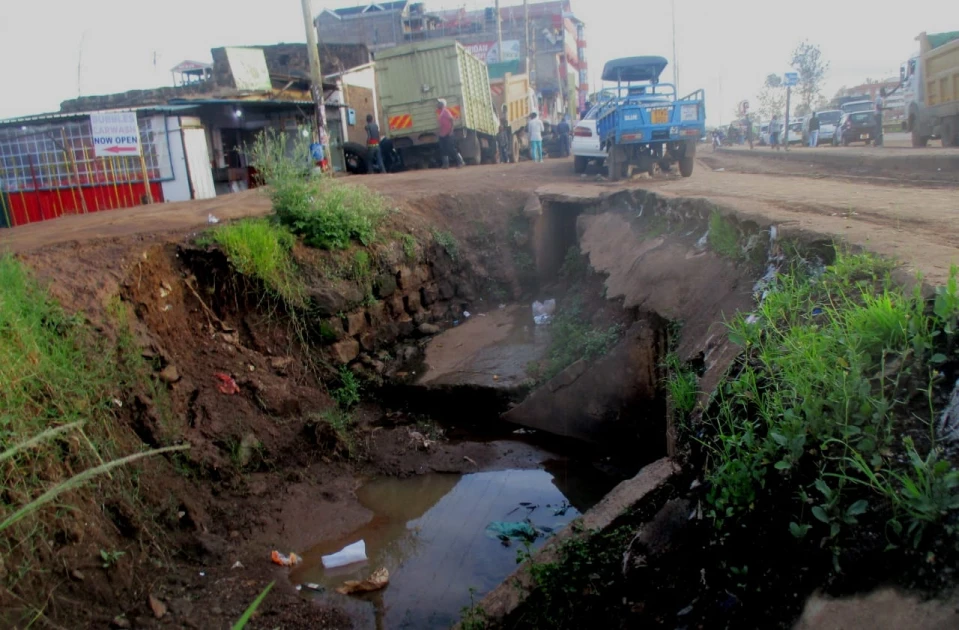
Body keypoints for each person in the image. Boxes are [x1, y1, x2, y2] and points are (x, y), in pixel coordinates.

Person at [436, 98, 460, 169]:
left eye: (439, 103)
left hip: (448, 133)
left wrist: (451, 131)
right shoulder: (442, 112)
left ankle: (460, 161)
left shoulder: (445, 111)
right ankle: (446, 164)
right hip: (443, 134)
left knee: (451, 148)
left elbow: (451, 120)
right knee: (443, 149)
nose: (437, 104)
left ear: (442, 104)